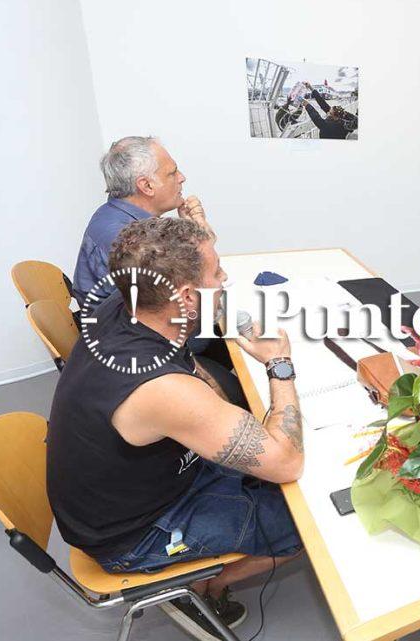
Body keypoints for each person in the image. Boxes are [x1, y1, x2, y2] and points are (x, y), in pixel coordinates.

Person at [48, 218, 304, 637]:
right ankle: (207, 589)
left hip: (132, 490)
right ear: (186, 297)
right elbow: (287, 463)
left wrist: (216, 414)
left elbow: (187, 366)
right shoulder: (159, 388)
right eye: (217, 272)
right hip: (131, 534)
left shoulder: (128, 306)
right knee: (304, 523)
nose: (224, 279)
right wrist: (280, 365)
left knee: (258, 459)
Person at [73, 136, 212, 305]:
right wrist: (201, 235)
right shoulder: (126, 240)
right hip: (125, 328)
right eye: (172, 173)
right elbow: (187, 294)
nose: (182, 177)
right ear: (146, 186)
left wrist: (191, 230)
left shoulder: (121, 217)